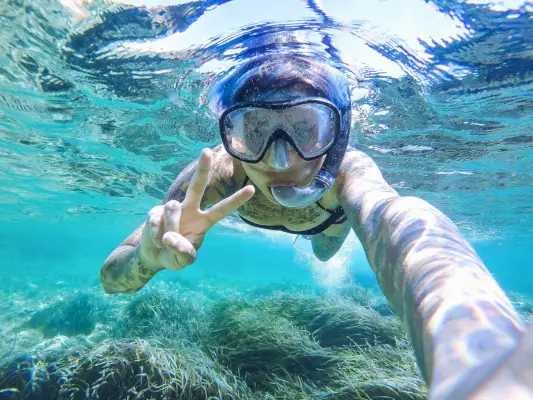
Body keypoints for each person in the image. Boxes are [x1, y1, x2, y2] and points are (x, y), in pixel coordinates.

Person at [100, 56, 531, 398]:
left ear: (337, 135)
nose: (279, 161)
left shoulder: (348, 174)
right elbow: (110, 279)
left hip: (326, 227)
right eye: (256, 130)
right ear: (233, 134)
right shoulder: (215, 175)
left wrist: (478, 348)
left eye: (306, 130)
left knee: (324, 251)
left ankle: (325, 251)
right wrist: (145, 259)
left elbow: (396, 221)